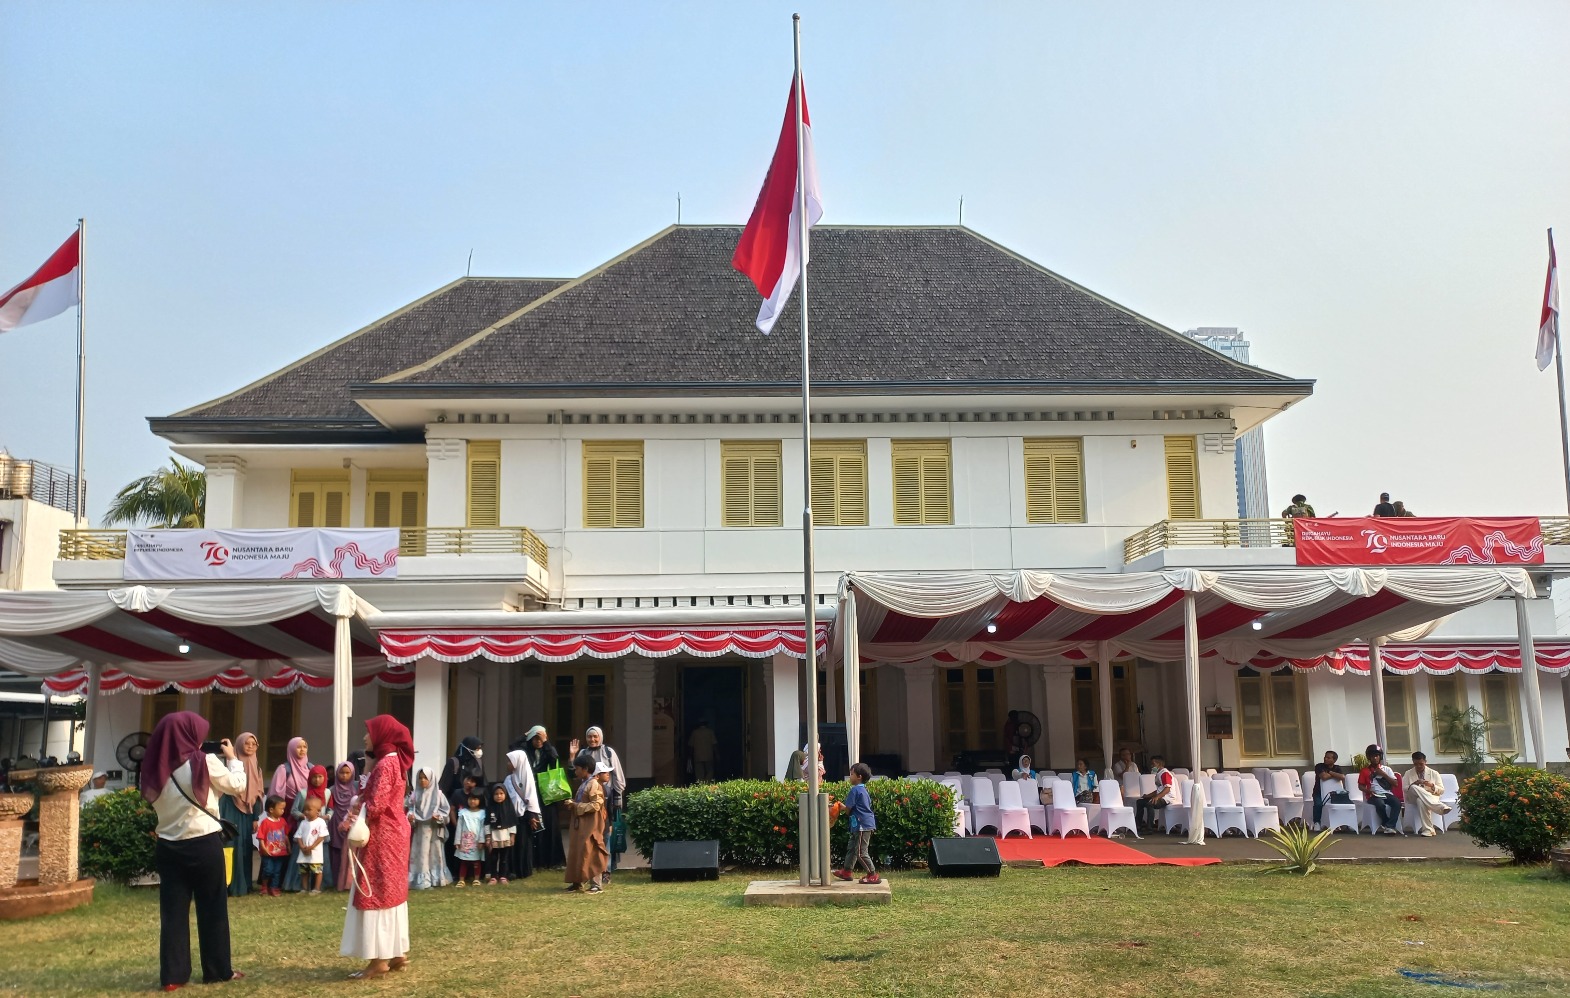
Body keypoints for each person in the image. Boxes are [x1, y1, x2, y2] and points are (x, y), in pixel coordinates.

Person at [143, 711, 245, 991]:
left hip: (168, 845)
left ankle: (173, 977)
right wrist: (234, 759)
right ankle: (217, 970)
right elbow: (238, 786)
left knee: (173, 913)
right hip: (203, 843)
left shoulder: (154, 766)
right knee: (212, 908)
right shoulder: (205, 761)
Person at [340, 715, 414, 980]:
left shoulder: (385, 765)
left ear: (382, 736)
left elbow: (376, 804)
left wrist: (354, 816)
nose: (365, 738)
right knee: (392, 892)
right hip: (396, 833)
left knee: (376, 892)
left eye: (369, 733)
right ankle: (396, 952)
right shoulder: (395, 762)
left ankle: (378, 959)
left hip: (383, 835)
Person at [570, 727, 626, 881]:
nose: (592, 740)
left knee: (605, 836)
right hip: (588, 801)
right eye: (589, 737)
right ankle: (591, 869)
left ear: (600, 737)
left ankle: (605, 871)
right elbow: (574, 774)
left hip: (606, 801)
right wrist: (573, 756)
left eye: (595, 736)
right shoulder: (583, 754)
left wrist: (617, 800)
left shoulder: (608, 753)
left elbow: (618, 777)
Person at [222, 733, 265, 898]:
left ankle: (245, 884)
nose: (250, 747)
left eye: (253, 744)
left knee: (246, 848)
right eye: (246, 744)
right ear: (238, 745)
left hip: (248, 813)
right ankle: (231, 885)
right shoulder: (230, 765)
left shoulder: (257, 768)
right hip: (231, 809)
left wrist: (255, 817)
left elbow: (258, 793)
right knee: (232, 847)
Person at [517, 726, 564, 869]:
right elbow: (513, 748)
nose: (538, 742)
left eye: (540, 739)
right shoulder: (526, 750)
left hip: (547, 791)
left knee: (550, 824)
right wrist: (524, 736)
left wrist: (546, 742)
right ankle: (536, 861)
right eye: (535, 738)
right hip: (531, 791)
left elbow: (554, 758)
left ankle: (553, 861)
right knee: (534, 823)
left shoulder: (547, 750)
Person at [283, 765, 332, 892]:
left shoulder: (327, 793)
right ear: (309, 778)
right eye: (314, 777)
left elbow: (331, 809)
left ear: (325, 777)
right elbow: (294, 810)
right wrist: (304, 815)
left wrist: (327, 816)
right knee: (302, 863)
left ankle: (318, 886)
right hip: (304, 832)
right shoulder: (303, 793)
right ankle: (300, 886)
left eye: (320, 777)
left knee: (319, 862)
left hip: (319, 833)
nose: (317, 780)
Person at [563, 756, 608, 894]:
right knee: (578, 851)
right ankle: (577, 882)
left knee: (592, 851)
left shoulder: (594, 784)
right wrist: (573, 804)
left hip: (591, 824)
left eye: (577, 769)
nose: (575, 772)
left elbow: (596, 804)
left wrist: (576, 806)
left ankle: (596, 884)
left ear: (585, 769)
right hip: (581, 824)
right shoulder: (584, 783)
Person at [832, 762, 880, 885]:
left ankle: (872, 874)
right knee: (852, 848)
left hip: (862, 825)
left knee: (860, 852)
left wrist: (840, 807)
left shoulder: (855, 790)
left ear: (859, 777)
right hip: (859, 825)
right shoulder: (863, 790)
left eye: (851, 774)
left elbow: (848, 809)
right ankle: (847, 871)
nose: (850, 776)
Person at [406, 766, 452, 890]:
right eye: (420, 778)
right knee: (421, 854)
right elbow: (410, 807)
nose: (422, 781)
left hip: (434, 830)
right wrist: (410, 815)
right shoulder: (415, 794)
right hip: (420, 830)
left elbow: (445, 810)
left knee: (434, 854)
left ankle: (435, 878)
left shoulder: (438, 794)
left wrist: (439, 816)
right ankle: (421, 880)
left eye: (425, 778)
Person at [502, 749, 543, 880]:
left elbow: (531, 796)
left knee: (524, 843)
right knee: (512, 843)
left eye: (510, 761)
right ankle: (512, 870)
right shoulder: (508, 779)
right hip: (512, 816)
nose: (508, 764)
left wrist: (532, 816)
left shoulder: (527, 777)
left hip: (525, 815)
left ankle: (524, 870)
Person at [1402, 752, 1451, 837]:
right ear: (1413, 762)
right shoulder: (1408, 773)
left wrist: (1431, 785)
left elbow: (1441, 790)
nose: (1418, 766)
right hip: (1413, 796)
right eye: (1416, 764)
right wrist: (1415, 784)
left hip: (1431, 796)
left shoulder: (1434, 773)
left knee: (1420, 801)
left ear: (1425, 762)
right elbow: (1405, 788)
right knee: (1413, 787)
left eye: (1421, 764)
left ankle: (1428, 830)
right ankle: (1439, 807)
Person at [1358, 745, 1404, 835]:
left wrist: (1383, 774)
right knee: (1380, 804)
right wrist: (1369, 791)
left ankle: (1390, 826)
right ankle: (1387, 823)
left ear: (1380, 757)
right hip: (1373, 795)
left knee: (1397, 803)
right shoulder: (1364, 771)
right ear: (1369, 757)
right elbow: (1360, 786)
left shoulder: (1386, 769)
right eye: (1372, 756)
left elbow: (1395, 784)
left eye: (1377, 756)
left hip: (1387, 794)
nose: (1375, 758)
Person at [327, 761, 358, 892]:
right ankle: (335, 880)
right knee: (335, 852)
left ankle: (349, 882)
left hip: (352, 825)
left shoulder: (356, 787)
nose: (344, 776)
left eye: (347, 773)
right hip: (336, 823)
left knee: (350, 853)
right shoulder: (332, 790)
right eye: (341, 773)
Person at [268, 737, 311, 828]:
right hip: (288, 810)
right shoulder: (283, 769)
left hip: (307, 809)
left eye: (305, 746)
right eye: (299, 747)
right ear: (291, 749)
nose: (302, 749)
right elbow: (276, 794)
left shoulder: (311, 768)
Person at [253, 795, 290, 897]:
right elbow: (260, 837)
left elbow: (285, 835)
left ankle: (274, 887)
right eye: (281, 808)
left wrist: (288, 847)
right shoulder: (265, 822)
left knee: (277, 871)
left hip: (280, 852)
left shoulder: (283, 821)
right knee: (268, 870)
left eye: (283, 808)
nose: (283, 811)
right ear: (271, 809)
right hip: (268, 853)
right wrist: (263, 848)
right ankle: (264, 886)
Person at [484, 783, 518, 885]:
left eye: (501, 793)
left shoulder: (509, 808)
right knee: (493, 858)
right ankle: (494, 876)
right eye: (496, 794)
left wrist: (512, 836)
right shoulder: (490, 808)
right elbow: (487, 823)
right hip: (494, 837)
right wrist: (488, 837)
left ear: (505, 794)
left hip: (505, 837)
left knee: (504, 858)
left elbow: (512, 822)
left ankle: (503, 876)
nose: (499, 796)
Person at [294, 797, 329, 895]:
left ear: (318, 811)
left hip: (315, 853)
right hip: (304, 852)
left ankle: (316, 888)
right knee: (304, 871)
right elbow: (298, 836)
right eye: (305, 809)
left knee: (317, 871)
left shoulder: (320, 822)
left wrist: (312, 847)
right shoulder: (303, 822)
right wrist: (302, 847)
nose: (306, 812)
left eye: (309, 810)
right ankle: (304, 888)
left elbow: (322, 836)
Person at [1135, 755, 1178, 832]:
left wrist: (1157, 797)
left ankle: (1149, 828)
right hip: (1161, 795)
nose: (1151, 766)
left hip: (1167, 798)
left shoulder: (1165, 773)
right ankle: (1138, 825)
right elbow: (1159, 789)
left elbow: (1167, 789)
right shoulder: (1159, 774)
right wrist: (1148, 796)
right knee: (1140, 802)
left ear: (1159, 764)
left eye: (1153, 764)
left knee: (1150, 804)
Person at [453, 789, 487, 887]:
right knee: (464, 861)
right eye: (471, 799)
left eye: (475, 799)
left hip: (476, 842)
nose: (472, 801)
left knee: (476, 861)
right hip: (464, 841)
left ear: (480, 800)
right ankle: (461, 879)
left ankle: (476, 879)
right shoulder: (463, 812)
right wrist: (457, 840)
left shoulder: (482, 813)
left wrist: (481, 840)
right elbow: (459, 827)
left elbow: (482, 828)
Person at [1311, 750, 1348, 829]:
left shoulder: (1337, 767)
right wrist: (1335, 774)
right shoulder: (1319, 766)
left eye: (1328, 758)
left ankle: (1343, 823)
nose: (1325, 759)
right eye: (1325, 757)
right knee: (1318, 804)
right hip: (1318, 792)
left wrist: (1330, 772)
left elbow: (1342, 777)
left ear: (1334, 760)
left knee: (1345, 803)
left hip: (1334, 793)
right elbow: (1323, 777)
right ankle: (1317, 822)